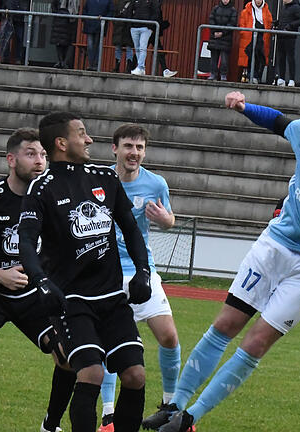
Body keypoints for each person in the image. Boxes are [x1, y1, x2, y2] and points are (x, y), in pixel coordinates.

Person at [143, 92, 300, 432]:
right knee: (225, 324)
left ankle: (189, 419)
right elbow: (276, 121)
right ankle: (173, 406)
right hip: (275, 245)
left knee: (256, 343)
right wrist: (243, 107)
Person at [19, 112, 152, 432]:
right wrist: (42, 282)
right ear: (62, 143)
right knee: (91, 372)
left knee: (135, 376)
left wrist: (143, 272)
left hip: (111, 298)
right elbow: (24, 240)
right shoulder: (41, 188)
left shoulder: (105, 179)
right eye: (82, 134)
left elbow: (131, 228)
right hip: (72, 302)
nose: (89, 139)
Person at [97, 124, 182, 432]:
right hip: (105, 273)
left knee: (169, 337)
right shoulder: (99, 180)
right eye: (128, 146)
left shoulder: (156, 183)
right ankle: (108, 413)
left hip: (141, 270)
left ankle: (170, 407)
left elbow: (169, 219)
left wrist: (165, 220)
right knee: (109, 344)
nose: (134, 152)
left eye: (140, 148)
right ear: (114, 148)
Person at [0, 128, 76, 432]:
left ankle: (50, 425)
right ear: (11, 160)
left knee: (67, 357)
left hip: (32, 298)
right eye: (31, 153)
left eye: (43, 154)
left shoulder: (50, 199)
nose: (40, 160)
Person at [238, 0, 272, 84]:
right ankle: (250, 75)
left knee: (260, 57)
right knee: (249, 57)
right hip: (249, 36)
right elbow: (241, 25)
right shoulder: (246, 11)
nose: (258, 1)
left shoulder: (267, 12)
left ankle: (257, 76)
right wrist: (246, 33)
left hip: (262, 37)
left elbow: (269, 24)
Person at [274, 0, 300, 87]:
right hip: (281, 35)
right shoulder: (283, 8)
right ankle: (282, 78)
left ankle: (291, 79)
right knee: (281, 57)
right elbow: (284, 19)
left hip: (290, 36)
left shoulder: (296, 7)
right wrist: (277, 23)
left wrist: (291, 26)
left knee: (290, 58)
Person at [207, 0, 238, 81]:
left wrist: (222, 32)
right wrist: (215, 31)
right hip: (215, 37)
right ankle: (213, 74)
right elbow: (211, 20)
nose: (225, 0)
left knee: (224, 59)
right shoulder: (215, 9)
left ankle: (223, 75)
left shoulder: (233, 10)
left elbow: (232, 23)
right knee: (213, 58)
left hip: (225, 38)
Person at [81, 0, 113, 71]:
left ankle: (95, 65)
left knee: (97, 46)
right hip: (90, 25)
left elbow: (110, 12)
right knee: (90, 46)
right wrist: (86, 18)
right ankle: (91, 64)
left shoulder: (108, 1)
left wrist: (103, 18)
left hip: (100, 26)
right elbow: (84, 10)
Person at [129, 0, 159, 75]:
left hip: (145, 28)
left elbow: (156, 12)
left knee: (142, 48)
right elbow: (130, 10)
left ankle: (140, 67)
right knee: (137, 48)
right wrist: (131, 23)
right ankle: (141, 68)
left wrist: (149, 25)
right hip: (134, 27)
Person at [50, 0, 80, 69]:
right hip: (59, 20)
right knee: (58, 42)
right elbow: (53, 4)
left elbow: (77, 8)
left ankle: (64, 61)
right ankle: (61, 61)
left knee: (67, 42)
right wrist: (57, 14)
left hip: (70, 20)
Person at [0, 0, 26, 64]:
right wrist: (0, 15)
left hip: (18, 16)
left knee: (19, 39)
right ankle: (5, 58)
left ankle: (17, 59)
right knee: (5, 37)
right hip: (7, 16)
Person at [112, 0, 134, 73]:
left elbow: (114, 15)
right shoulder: (133, 3)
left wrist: (116, 23)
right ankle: (126, 67)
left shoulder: (119, 3)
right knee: (125, 48)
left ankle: (119, 66)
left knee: (125, 48)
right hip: (125, 29)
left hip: (121, 28)